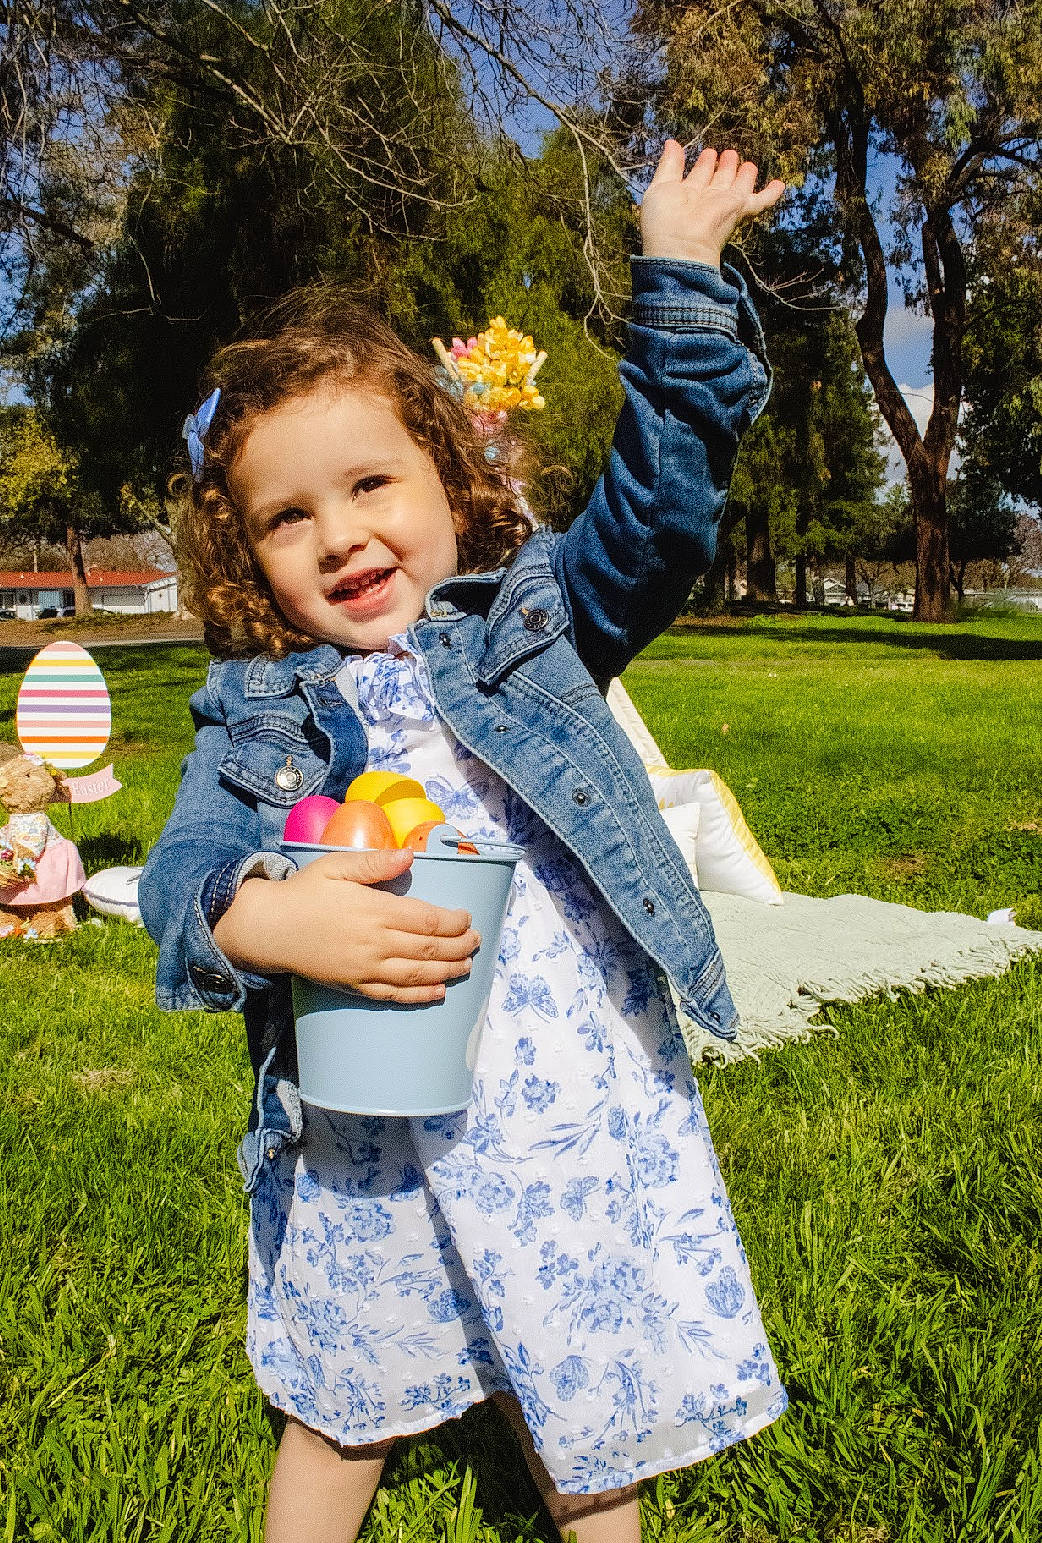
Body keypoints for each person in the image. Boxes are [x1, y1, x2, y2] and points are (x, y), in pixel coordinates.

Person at [140, 142, 788, 1543]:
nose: (342, 536)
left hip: (561, 1106)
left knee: (586, 1400)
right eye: (287, 517)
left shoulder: (534, 624)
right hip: (370, 1127)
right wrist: (264, 918)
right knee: (338, 1396)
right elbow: (180, 871)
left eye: (371, 485)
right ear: (245, 558)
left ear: (444, 475)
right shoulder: (259, 710)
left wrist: (678, 275)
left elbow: (664, 507)